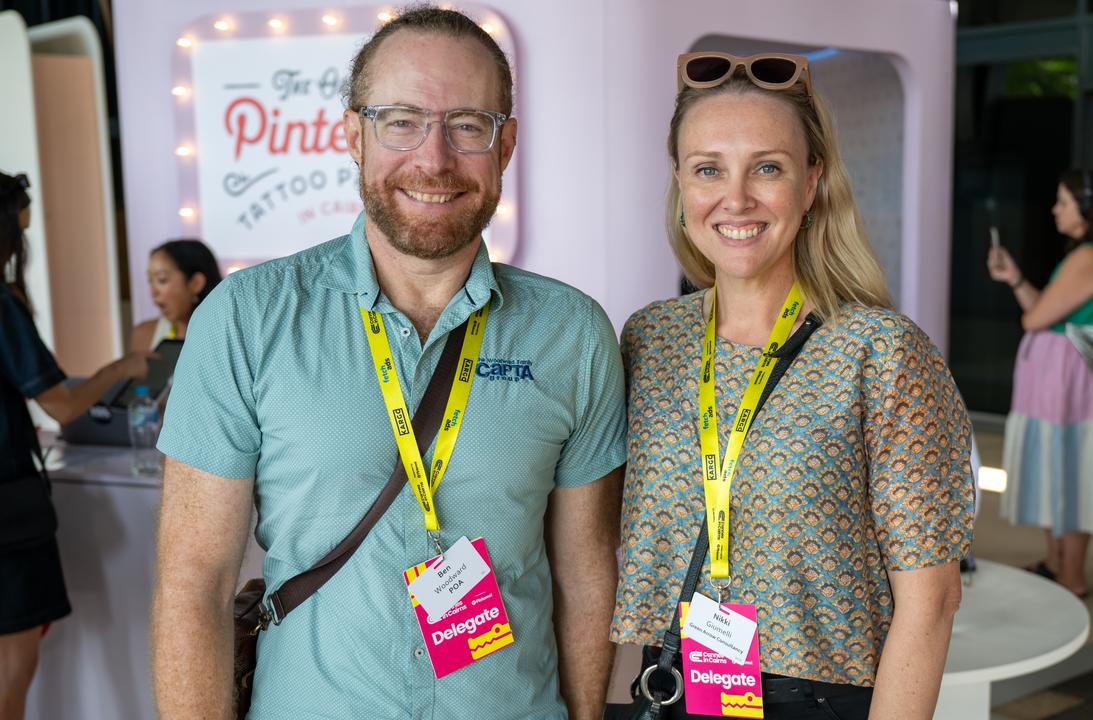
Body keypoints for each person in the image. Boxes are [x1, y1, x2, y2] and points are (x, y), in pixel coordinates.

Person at [150, 7, 625, 719]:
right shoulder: (245, 319)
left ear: (507, 143)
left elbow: (585, 576)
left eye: (469, 125)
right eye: (401, 120)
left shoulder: (573, 334)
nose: (433, 160)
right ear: (352, 135)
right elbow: (196, 583)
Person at [609, 53, 974, 720]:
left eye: (767, 168)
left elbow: (932, 601)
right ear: (681, 185)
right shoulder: (649, 339)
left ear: (812, 183)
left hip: (816, 701)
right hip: (669, 688)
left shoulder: (880, 352)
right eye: (709, 168)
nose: (736, 197)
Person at [0, 171, 149, 719]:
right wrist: (120, 368)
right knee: (11, 674)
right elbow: (60, 405)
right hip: (9, 520)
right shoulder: (2, 305)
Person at [987, 169, 1093, 598]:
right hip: (1069, 381)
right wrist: (1015, 278)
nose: (1056, 209)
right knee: (1064, 465)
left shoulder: (1088, 257)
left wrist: (1026, 302)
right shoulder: (1091, 256)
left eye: (1064, 202)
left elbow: (1035, 319)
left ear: (1090, 208)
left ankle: (1072, 574)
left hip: (1071, 383)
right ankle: (1058, 564)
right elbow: (1043, 310)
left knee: (1071, 467)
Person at [127, 239, 222, 351]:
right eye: (150, 280)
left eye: (162, 280)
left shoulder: (224, 334)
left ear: (196, 283)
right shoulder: (145, 335)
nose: (153, 292)